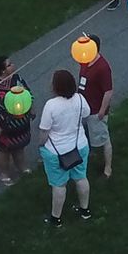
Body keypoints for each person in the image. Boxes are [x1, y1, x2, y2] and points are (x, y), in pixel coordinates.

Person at [37, 69, 93, 227]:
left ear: (56, 86)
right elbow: (86, 114)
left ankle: (56, 218)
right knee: (81, 177)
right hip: (80, 146)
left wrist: (41, 145)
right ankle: (85, 211)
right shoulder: (80, 99)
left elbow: (44, 131)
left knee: (59, 185)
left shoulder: (51, 106)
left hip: (56, 152)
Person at [0, 55, 33, 185]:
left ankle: (21, 167)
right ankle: (3, 173)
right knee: (3, 150)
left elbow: (27, 92)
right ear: (2, 70)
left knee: (19, 147)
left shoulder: (16, 79)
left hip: (20, 122)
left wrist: (31, 106)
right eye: (9, 64)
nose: (13, 65)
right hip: (3, 125)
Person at [77, 36, 115, 180]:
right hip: (84, 108)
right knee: (86, 134)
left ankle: (108, 167)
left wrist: (101, 111)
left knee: (104, 139)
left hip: (95, 111)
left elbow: (108, 91)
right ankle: (90, 152)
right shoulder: (84, 60)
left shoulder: (103, 67)